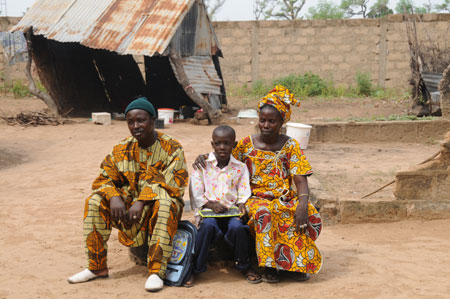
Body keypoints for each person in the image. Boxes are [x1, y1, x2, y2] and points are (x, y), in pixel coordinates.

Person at [194, 86, 322, 283]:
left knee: (303, 213)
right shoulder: (246, 144)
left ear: (282, 122)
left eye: (272, 121)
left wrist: (303, 202)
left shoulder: (291, 146)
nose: (266, 125)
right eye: (262, 120)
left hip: (284, 198)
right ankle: (269, 266)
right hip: (254, 199)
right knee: (265, 214)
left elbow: (300, 178)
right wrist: (204, 157)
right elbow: (224, 157)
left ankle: (294, 265)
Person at [67, 97, 189, 292]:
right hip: (127, 209)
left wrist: (141, 201)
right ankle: (96, 267)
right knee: (95, 201)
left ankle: (156, 272)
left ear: (152, 119)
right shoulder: (121, 148)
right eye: (130, 122)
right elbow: (103, 178)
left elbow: (173, 184)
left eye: (141, 120)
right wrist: (114, 197)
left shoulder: (172, 148)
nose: (135, 126)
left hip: (154, 208)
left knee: (167, 203)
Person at [186, 125, 261, 286]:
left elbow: (243, 190)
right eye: (218, 143)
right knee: (208, 227)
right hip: (209, 211)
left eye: (227, 143)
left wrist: (241, 204)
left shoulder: (240, 167)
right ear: (212, 144)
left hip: (230, 211)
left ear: (233, 145)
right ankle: (196, 269)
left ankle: (244, 265)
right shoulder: (203, 165)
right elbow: (196, 191)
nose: (222, 147)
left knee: (238, 228)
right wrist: (211, 205)